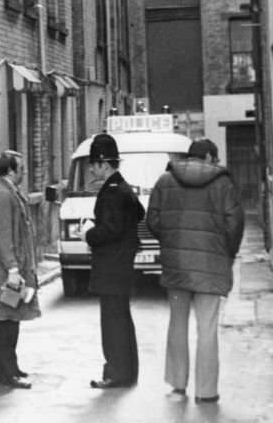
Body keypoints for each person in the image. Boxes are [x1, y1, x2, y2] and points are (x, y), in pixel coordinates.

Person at [146, 136, 244, 405]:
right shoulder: (223, 183)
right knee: (207, 328)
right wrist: (227, 253)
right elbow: (235, 223)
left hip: (176, 266)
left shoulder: (165, 181)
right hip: (211, 267)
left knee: (177, 324)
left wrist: (170, 240)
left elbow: (152, 218)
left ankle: (178, 385)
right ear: (210, 158)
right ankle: (206, 392)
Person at [82, 132, 145, 389]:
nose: (91, 169)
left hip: (111, 267)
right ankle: (127, 372)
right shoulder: (123, 188)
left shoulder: (112, 192)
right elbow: (137, 213)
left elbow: (110, 230)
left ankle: (115, 373)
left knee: (112, 323)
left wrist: (88, 231)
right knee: (122, 319)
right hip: (121, 266)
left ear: (104, 164)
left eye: (93, 165)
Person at [0, 149, 40, 389]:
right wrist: (13, 268)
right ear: (10, 171)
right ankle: (7, 372)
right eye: (21, 169)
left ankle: (10, 367)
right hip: (7, 271)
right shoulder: (3, 195)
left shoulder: (4, 191)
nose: (24, 173)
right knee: (6, 318)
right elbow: (4, 235)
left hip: (9, 268)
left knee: (11, 317)